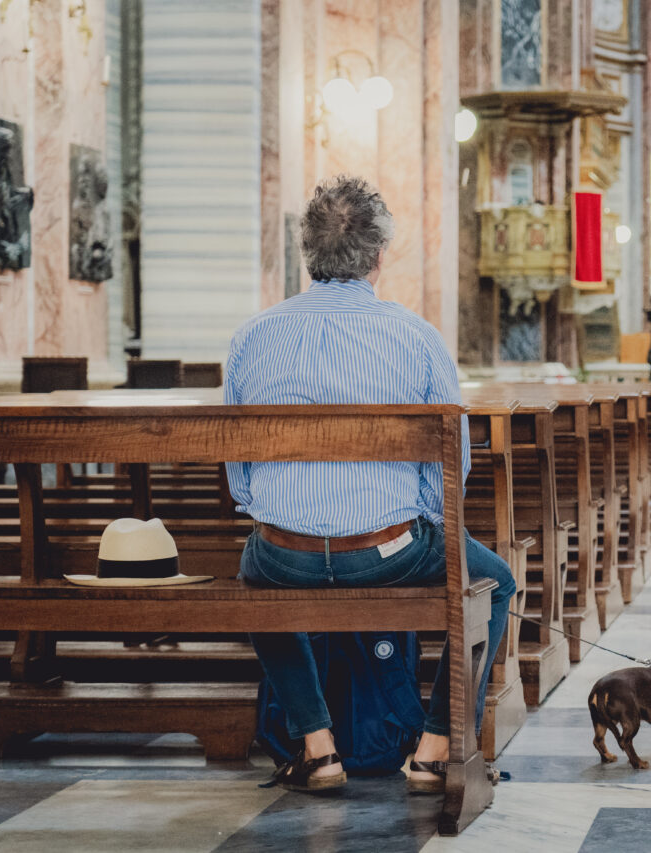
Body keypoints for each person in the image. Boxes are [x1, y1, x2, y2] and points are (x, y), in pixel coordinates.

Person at [224, 174, 515, 794]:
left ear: (309, 253)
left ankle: (317, 745)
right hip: (389, 553)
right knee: (495, 584)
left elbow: (239, 480)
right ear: (379, 257)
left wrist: (286, 520)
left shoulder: (253, 336)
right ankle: (435, 748)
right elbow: (451, 473)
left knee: (254, 571)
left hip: (285, 555)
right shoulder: (417, 337)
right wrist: (416, 525)